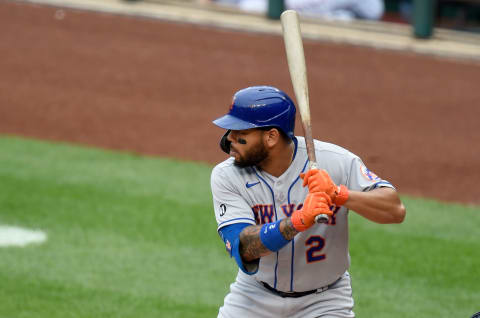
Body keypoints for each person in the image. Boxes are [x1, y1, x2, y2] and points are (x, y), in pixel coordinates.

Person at [210, 85, 406, 318]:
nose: (229, 138)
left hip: (325, 301)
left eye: (239, 131)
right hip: (254, 297)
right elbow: (244, 247)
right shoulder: (227, 175)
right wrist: (299, 221)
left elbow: (395, 210)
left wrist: (339, 194)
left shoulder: (336, 162)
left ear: (271, 136)